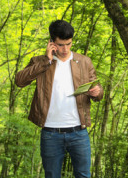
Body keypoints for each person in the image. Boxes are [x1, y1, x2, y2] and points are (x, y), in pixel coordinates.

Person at [15, 20, 103, 178]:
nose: (65, 49)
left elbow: (98, 89)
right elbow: (19, 81)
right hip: (50, 132)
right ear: (51, 43)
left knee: (84, 175)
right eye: (61, 45)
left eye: (68, 44)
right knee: (51, 175)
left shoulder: (84, 61)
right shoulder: (40, 62)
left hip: (79, 132)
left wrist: (97, 93)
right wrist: (46, 61)